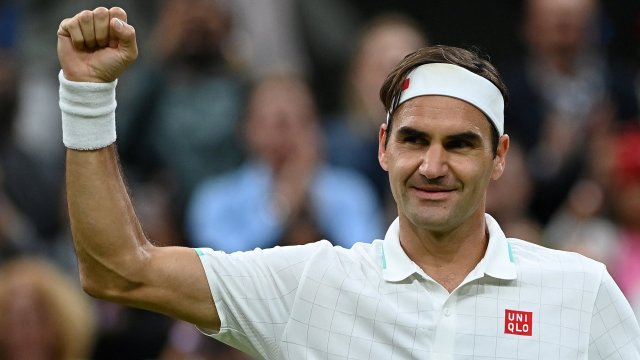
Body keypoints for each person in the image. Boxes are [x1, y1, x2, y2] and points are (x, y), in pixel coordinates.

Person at [57, 7, 640, 359]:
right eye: (414, 140)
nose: (432, 166)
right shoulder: (313, 285)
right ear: (383, 146)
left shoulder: (579, 290)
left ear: (499, 157)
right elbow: (118, 268)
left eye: (460, 144)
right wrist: (86, 97)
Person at [186, 73, 383, 251]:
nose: (287, 134)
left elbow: (365, 261)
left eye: (301, 120)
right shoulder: (216, 199)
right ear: (247, 129)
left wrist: (313, 201)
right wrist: (281, 206)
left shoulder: (352, 192)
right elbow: (219, 266)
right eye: (276, 123)